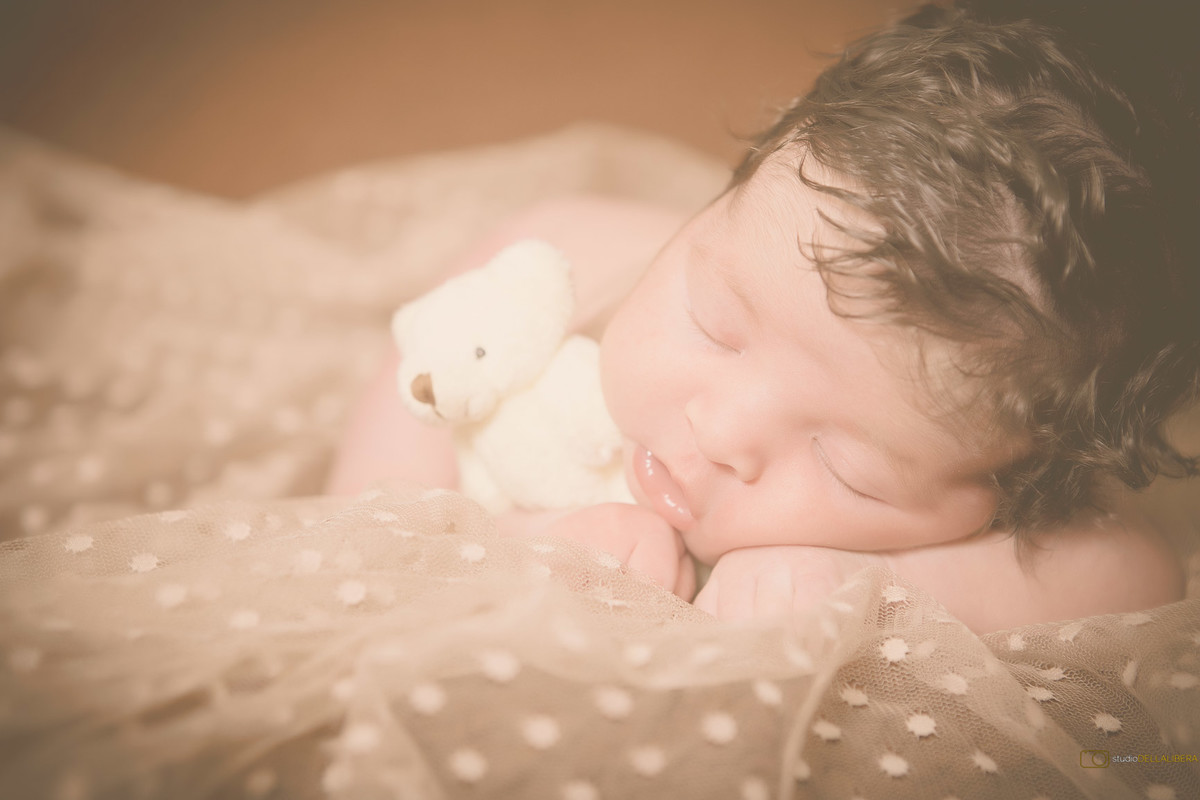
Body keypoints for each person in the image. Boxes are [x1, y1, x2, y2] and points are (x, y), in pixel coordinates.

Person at [326, 0, 1198, 634]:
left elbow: (1138, 571)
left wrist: (874, 585)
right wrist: (528, 541)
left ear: (1004, 491)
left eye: (847, 465)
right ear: (716, 201)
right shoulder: (558, 269)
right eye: (714, 321)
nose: (720, 431)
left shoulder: (1022, 446)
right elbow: (355, 530)